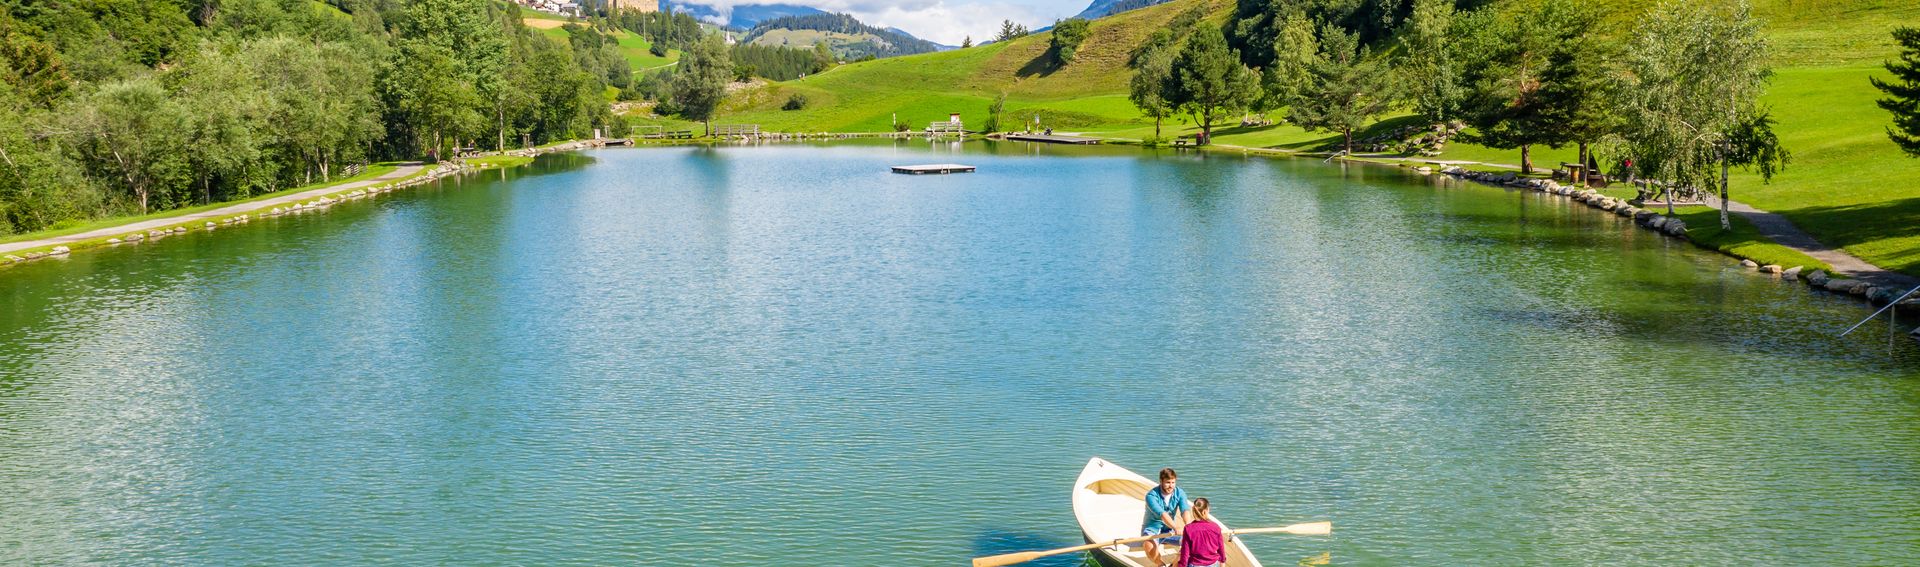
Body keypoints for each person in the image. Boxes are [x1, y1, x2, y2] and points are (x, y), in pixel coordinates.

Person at [1141, 468, 1192, 567]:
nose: (1171, 486)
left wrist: (1189, 527)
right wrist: (1175, 527)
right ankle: (1160, 564)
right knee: (1148, 546)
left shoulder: (1180, 493)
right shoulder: (1151, 496)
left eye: (1173, 482)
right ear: (1161, 481)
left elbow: (1185, 510)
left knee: (1192, 542)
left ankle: (1174, 564)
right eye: (1168, 482)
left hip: (1169, 530)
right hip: (1152, 530)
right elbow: (1162, 514)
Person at [1178, 498, 1226, 567]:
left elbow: (1185, 552)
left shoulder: (1188, 528)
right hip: (1213, 563)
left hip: (1195, 564)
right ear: (1205, 511)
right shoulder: (1216, 527)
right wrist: (1223, 561)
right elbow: (1221, 548)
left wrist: (1181, 565)